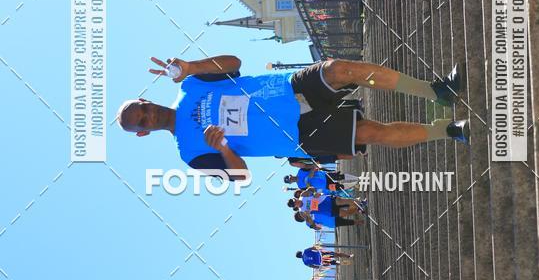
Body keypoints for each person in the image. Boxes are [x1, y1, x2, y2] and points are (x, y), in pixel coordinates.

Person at [117, 56, 468, 180]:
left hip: (285, 88)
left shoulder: (190, 84)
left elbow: (234, 64)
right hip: (297, 135)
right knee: (371, 132)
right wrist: (222, 148)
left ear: (146, 99)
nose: (149, 115)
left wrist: (192, 66)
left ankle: (436, 91)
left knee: (341, 69)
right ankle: (448, 131)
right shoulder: (190, 154)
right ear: (143, 133)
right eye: (142, 121)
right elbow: (240, 175)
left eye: (143, 108)